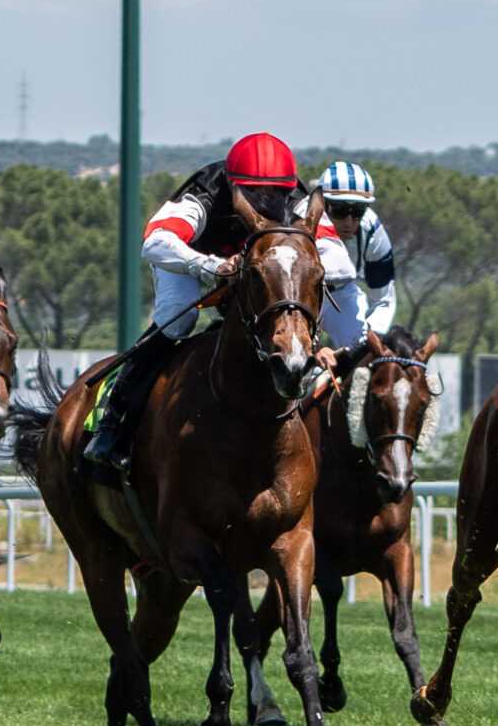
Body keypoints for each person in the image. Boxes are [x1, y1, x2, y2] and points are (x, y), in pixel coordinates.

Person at [82, 131, 329, 473]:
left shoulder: (299, 200)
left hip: (256, 275)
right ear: (232, 184)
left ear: (288, 187)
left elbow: (334, 257)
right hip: (190, 262)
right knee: (177, 319)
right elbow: (155, 243)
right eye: (253, 193)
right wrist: (211, 265)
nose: (264, 201)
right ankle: (115, 418)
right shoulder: (204, 193)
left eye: (273, 192)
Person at [315, 162, 396, 352]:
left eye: (358, 211)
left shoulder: (373, 232)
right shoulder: (299, 223)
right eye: (340, 211)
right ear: (320, 204)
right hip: (297, 297)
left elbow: (384, 300)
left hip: (340, 294)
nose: (349, 222)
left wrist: (370, 343)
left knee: (359, 349)